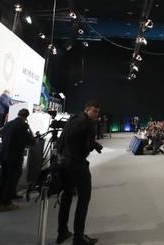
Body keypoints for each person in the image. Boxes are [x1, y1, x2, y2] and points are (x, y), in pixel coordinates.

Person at [56, 101, 103, 245]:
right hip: (78, 164)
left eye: (97, 112)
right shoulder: (89, 125)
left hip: (64, 163)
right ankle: (78, 237)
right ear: (87, 109)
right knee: (84, 199)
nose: (96, 114)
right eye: (94, 111)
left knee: (67, 198)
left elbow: (64, 139)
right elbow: (86, 146)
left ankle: (62, 232)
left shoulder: (72, 119)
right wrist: (92, 145)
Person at [0, 108, 35, 212]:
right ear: (26, 117)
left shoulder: (9, 123)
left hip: (4, 155)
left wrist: (8, 138)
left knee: (3, 179)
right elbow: (32, 141)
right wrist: (29, 128)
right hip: (14, 157)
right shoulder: (23, 125)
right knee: (11, 180)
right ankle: (6, 203)